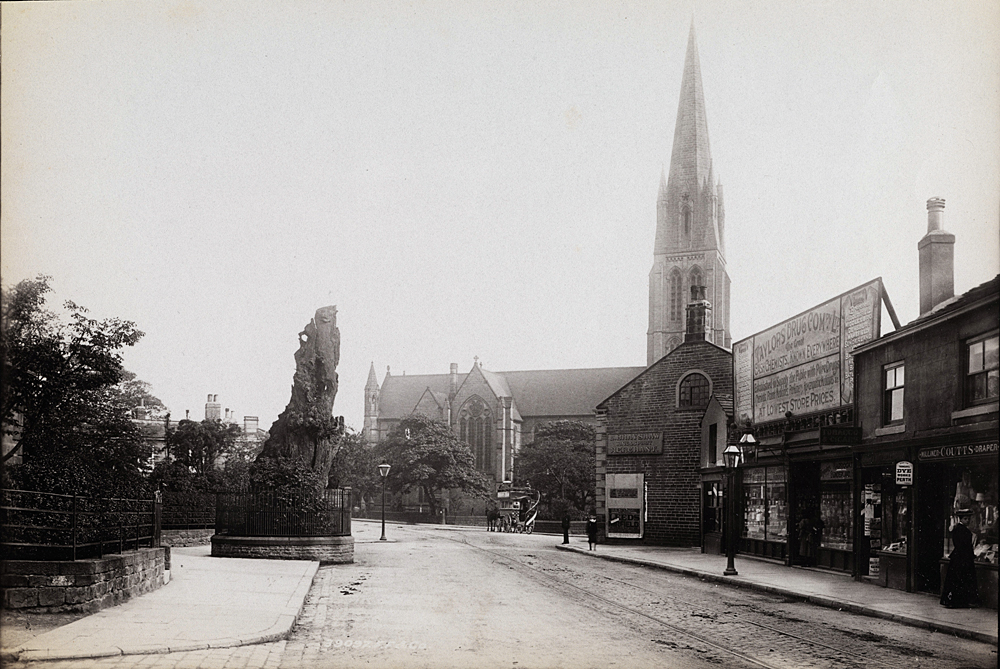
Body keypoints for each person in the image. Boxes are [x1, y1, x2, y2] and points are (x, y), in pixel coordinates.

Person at [940, 513, 981, 608]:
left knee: (956, 579)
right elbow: (966, 546)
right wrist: (972, 555)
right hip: (963, 558)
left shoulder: (957, 529)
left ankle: (953, 600)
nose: (968, 521)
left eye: (969, 519)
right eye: (966, 519)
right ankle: (959, 601)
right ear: (961, 519)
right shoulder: (964, 531)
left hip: (957, 557)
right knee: (962, 579)